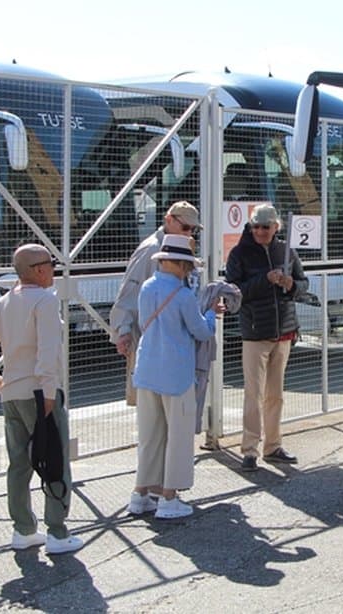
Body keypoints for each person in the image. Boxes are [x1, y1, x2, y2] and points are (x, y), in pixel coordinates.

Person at [0, 243, 83, 555]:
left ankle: (23, 528)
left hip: (12, 392)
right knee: (54, 459)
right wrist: (49, 391)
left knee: (19, 464)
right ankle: (58, 532)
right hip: (39, 392)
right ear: (37, 269)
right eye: (50, 263)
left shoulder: (8, 300)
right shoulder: (45, 301)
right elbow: (48, 349)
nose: (53, 268)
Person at [128, 234, 222, 519]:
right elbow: (201, 331)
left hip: (146, 370)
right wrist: (210, 314)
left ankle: (141, 493)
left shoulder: (147, 287)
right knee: (178, 437)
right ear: (182, 265)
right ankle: (169, 497)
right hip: (176, 373)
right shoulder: (183, 295)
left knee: (150, 436)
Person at [225, 204, 309, 472]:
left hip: (282, 332)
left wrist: (291, 285)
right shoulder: (239, 254)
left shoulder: (287, 251)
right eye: (256, 226)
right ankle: (249, 449)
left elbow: (303, 283)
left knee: (276, 395)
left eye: (265, 226)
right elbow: (234, 292)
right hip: (255, 333)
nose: (260, 231)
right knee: (254, 394)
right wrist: (266, 279)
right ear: (250, 227)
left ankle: (272, 446)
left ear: (276, 227)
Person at [109, 201, 201, 406]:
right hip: (151, 340)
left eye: (192, 229)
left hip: (173, 338)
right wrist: (122, 330)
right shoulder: (151, 248)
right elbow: (128, 294)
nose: (189, 233)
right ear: (169, 220)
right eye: (185, 227)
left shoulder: (179, 245)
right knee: (153, 408)